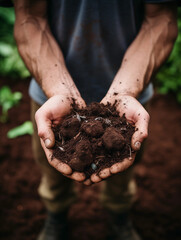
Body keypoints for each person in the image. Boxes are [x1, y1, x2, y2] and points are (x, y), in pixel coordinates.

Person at [11, 0, 178, 239]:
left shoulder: (125, 110)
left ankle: (118, 214)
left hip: (130, 99)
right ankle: (56, 214)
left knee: (124, 170)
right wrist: (59, 90)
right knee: (52, 172)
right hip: (52, 96)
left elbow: (161, 18)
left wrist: (126, 92)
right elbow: (29, 17)